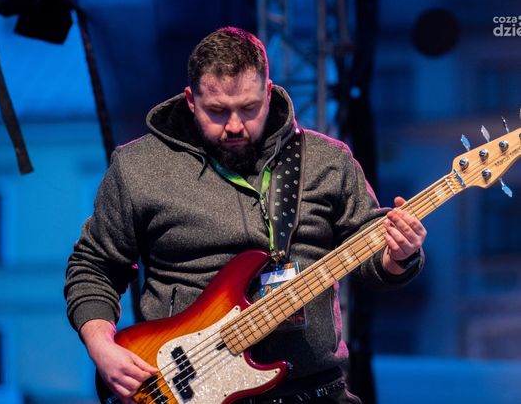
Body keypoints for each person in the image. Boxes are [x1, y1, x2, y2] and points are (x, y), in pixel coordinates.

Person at [64, 27, 426, 404]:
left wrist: (399, 255)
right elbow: (94, 267)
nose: (235, 125)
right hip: (182, 388)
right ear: (191, 100)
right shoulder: (139, 167)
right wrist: (100, 345)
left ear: (268, 93)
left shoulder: (327, 161)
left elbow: (373, 258)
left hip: (315, 391)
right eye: (217, 111)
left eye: (249, 108)